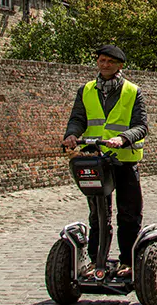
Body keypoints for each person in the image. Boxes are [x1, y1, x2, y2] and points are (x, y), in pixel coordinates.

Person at [62, 45, 147, 279]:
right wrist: (71, 134)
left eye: (110, 61)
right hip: (96, 160)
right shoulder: (86, 90)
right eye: (101, 60)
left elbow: (141, 126)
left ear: (120, 65)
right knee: (98, 214)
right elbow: (78, 118)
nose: (105, 65)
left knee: (129, 213)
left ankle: (127, 261)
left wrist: (123, 138)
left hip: (125, 161)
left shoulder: (132, 91)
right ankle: (95, 261)